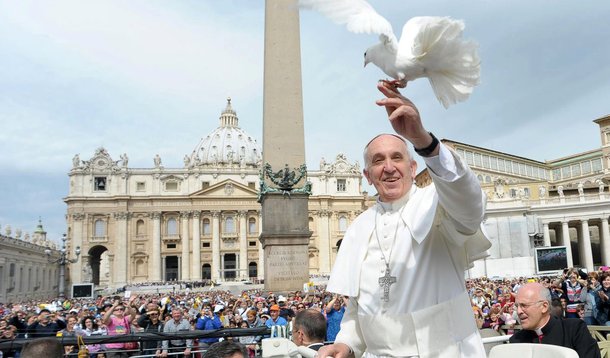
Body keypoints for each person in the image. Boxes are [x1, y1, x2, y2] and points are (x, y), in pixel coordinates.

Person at [317, 81, 491, 358]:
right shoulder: (359, 226)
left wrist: (423, 140)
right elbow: (359, 307)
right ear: (367, 176)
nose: (388, 168)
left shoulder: (438, 202)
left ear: (412, 167)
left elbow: (470, 205)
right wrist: (347, 343)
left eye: (397, 158)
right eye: (378, 161)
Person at [510, 282, 600, 357]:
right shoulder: (516, 340)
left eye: (524, 305)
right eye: (517, 306)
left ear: (544, 307)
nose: (518, 311)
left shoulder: (574, 330)